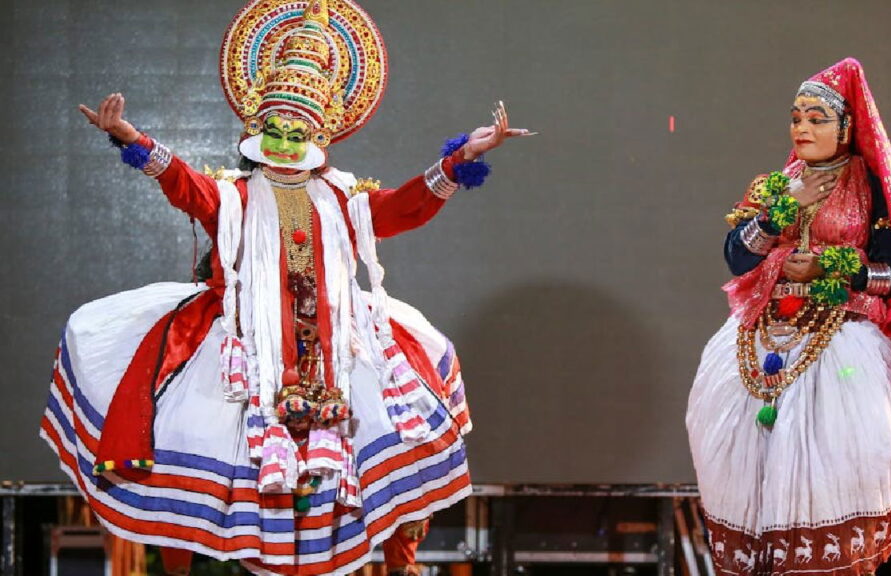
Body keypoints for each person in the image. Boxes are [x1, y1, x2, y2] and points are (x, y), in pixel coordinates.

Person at [39, 1, 529, 574]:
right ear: (256, 129)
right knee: (195, 444)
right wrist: (130, 137)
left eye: (297, 134)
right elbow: (181, 183)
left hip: (332, 348)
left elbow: (405, 207)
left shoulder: (343, 201)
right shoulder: (234, 197)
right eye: (274, 130)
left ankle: (400, 561)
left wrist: (462, 156)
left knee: (404, 422)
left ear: (318, 134)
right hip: (249, 349)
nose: (284, 143)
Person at [686, 58, 891, 575]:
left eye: (817, 119)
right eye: (796, 118)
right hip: (763, 341)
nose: (803, 129)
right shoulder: (774, 185)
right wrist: (778, 217)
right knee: (745, 473)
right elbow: (736, 257)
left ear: (846, 127)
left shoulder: (871, 189)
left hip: (843, 350)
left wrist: (839, 269)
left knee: (837, 468)